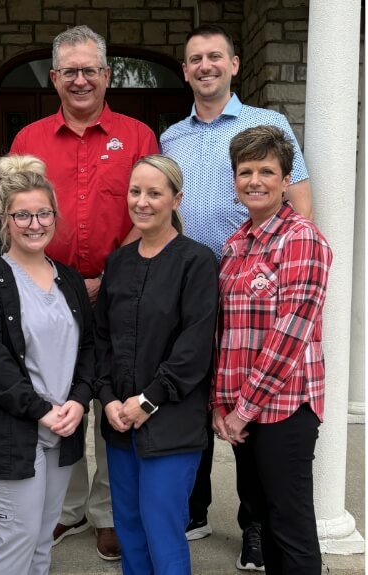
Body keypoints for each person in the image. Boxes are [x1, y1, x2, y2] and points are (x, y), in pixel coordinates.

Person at [160, 24, 313, 571]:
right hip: (191, 285)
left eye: (214, 57)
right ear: (185, 70)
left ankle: (253, 526)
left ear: (234, 64)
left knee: (253, 401)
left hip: (254, 280)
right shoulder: (171, 137)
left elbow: (298, 203)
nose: (205, 65)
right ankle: (195, 508)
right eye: (195, 58)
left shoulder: (266, 125)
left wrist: (285, 268)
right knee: (197, 394)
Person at [10, 24, 158, 561]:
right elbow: (17, 215)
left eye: (89, 70)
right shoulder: (29, 140)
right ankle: (67, 507)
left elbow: (150, 209)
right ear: (53, 77)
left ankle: (106, 511)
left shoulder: (138, 136)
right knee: (58, 395)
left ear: (106, 75)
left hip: (120, 287)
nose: (79, 80)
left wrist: (106, 280)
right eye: (69, 71)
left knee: (113, 397)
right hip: (47, 289)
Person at [0, 155, 94, 575]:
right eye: (23, 215)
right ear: (5, 218)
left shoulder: (68, 279)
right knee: (15, 541)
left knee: (41, 539)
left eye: (43, 213)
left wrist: (79, 401)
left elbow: (89, 349)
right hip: (10, 436)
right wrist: (43, 412)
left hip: (62, 431)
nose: (35, 224)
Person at [212, 125, 332, 575]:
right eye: (245, 171)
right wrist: (222, 405)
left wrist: (243, 409)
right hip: (243, 409)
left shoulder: (300, 238)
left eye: (267, 170)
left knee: (291, 523)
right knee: (263, 514)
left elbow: (290, 333)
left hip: (285, 407)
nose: (255, 180)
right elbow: (227, 335)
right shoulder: (236, 244)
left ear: (286, 180)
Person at [95, 154, 218, 575]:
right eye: (135, 191)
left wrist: (147, 401)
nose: (142, 202)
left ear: (176, 199)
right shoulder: (117, 263)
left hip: (171, 422)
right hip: (119, 423)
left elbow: (195, 345)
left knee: (161, 528)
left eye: (154, 193)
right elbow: (102, 340)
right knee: (128, 526)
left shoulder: (197, 261)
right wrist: (109, 399)